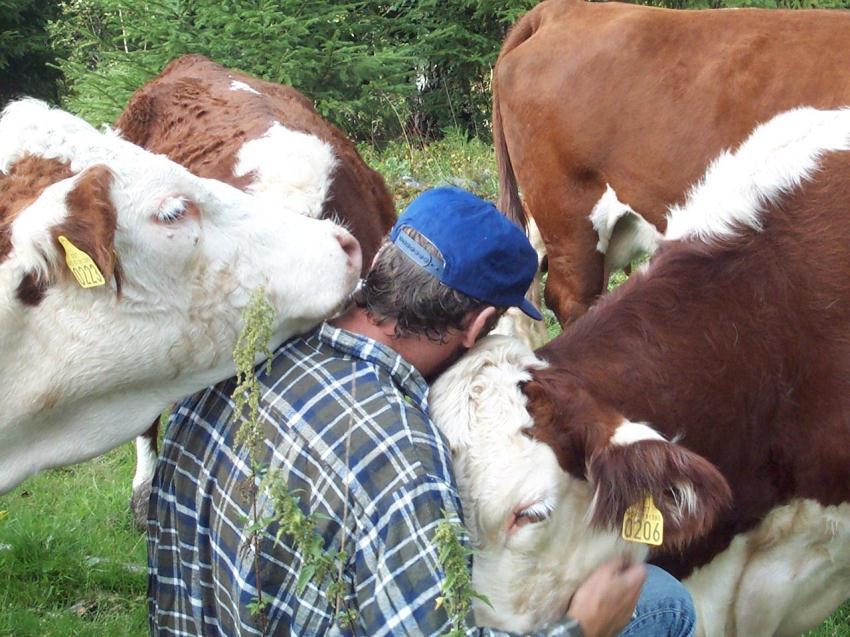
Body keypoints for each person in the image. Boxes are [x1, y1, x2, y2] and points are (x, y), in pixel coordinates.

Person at [147, 187, 696, 637]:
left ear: (384, 255)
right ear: (479, 327)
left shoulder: (240, 358)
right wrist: (583, 627)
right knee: (663, 604)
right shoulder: (401, 454)